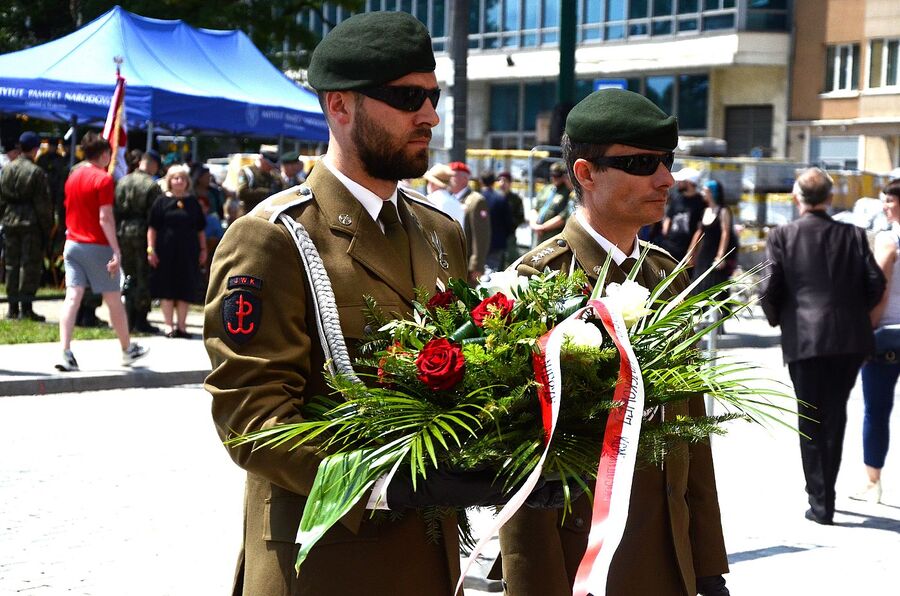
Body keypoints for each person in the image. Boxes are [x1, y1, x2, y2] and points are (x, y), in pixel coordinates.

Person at [204, 11, 512, 596]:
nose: (430, 116)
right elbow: (251, 419)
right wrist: (387, 482)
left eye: (433, 96)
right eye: (407, 98)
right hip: (324, 562)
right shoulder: (274, 236)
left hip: (430, 562)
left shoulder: (440, 231)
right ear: (340, 105)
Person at [499, 88, 730, 596]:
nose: (665, 179)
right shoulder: (535, 284)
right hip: (579, 563)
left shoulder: (664, 274)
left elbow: (691, 430)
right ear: (586, 173)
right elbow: (521, 464)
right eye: (642, 164)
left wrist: (708, 566)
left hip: (667, 556)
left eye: (666, 162)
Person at [761, 167, 886, 525]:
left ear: (796, 198)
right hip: (849, 339)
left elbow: (768, 288)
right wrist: (854, 311)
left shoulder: (782, 235)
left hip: (804, 337)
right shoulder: (854, 234)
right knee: (835, 414)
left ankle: (820, 501)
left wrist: (779, 319)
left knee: (811, 417)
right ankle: (823, 494)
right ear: (830, 198)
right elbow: (875, 282)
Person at [56, 132, 148, 371]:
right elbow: (105, 217)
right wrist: (116, 250)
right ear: (105, 154)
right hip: (97, 245)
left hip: (72, 243)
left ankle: (65, 351)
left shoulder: (73, 176)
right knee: (113, 299)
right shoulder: (103, 179)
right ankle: (127, 349)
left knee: (72, 297)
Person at [851, 178, 900, 504]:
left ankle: (873, 482)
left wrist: (866, 331)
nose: (884, 206)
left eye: (889, 201)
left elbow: (880, 290)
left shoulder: (888, 239)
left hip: (887, 335)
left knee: (876, 411)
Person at [147, 165, 206, 338]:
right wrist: (151, 249)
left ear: (187, 182)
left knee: (185, 287)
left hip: (188, 252)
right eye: (175, 178)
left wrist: (203, 249)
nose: (179, 181)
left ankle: (182, 326)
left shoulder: (193, 202)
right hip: (165, 251)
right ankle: (168, 326)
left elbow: (200, 229)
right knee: (167, 287)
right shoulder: (161, 201)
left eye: (182, 178)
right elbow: (152, 228)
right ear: (169, 181)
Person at [0, 131, 53, 320]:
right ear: (35, 149)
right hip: (30, 222)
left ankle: (12, 307)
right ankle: (26, 307)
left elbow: (1, 199)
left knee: (11, 264)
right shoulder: (36, 172)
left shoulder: (7, 169)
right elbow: (43, 204)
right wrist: (47, 228)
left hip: (9, 220)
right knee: (29, 265)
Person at [115, 149, 163, 333]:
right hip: (143, 233)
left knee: (129, 274)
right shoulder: (151, 185)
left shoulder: (122, 181)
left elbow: (115, 209)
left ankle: (128, 317)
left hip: (123, 231)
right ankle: (140, 319)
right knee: (144, 275)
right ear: (152, 164)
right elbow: (155, 216)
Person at [689, 179, 738, 293]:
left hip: (715, 254)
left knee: (715, 286)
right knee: (699, 285)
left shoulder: (723, 211)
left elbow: (725, 233)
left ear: (712, 193)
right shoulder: (705, 211)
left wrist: (720, 256)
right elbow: (699, 232)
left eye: (705, 191)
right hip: (703, 254)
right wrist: (691, 252)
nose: (703, 193)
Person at [448, 160, 490, 284]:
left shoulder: (476, 201)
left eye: (453, 176)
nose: (449, 179)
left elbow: (481, 236)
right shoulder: (451, 198)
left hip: (467, 264)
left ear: (465, 179)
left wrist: (477, 266)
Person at [662, 166, 705, 261]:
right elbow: (669, 217)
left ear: (688, 182)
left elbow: (700, 229)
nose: (678, 183)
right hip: (670, 246)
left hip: (686, 251)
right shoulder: (677, 197)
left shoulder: (701, 202)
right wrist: (665, 232)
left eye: (681, 181)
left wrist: (692, 251)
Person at [530, 161, 573, 245]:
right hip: (538, 234)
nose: (554, 178)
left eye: (557, 176)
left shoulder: (567, 192)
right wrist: (534, 225)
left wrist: (543, 228)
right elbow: (535, 208)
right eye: (552, 175)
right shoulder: (546, 188)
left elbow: (564, 216)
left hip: (553, 236)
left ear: (563, 177)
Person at [481, 171, 512, 272]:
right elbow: (508, 222)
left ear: (481, 182)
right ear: (494, 182)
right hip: (497, 242)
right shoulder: (501, 198)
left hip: (479, 242)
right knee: (492, 271)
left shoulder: (475, 198)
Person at [235, 151, 282, 215]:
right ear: (261, 159)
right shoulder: (247, 172)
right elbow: (241, 192)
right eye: (268, 164)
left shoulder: (273, 175)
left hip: (267, 214)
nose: (270, 167)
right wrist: (266, 192)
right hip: (249, 213)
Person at [497, 171, 524, 265]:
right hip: (496, 235)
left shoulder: (515, 199)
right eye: (500, 180)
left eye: (505, 181)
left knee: (511, 260)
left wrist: (510, 224)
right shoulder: (495, 197)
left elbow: (520, 217)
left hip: (509, 235)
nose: (502, 183)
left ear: (510, 183)